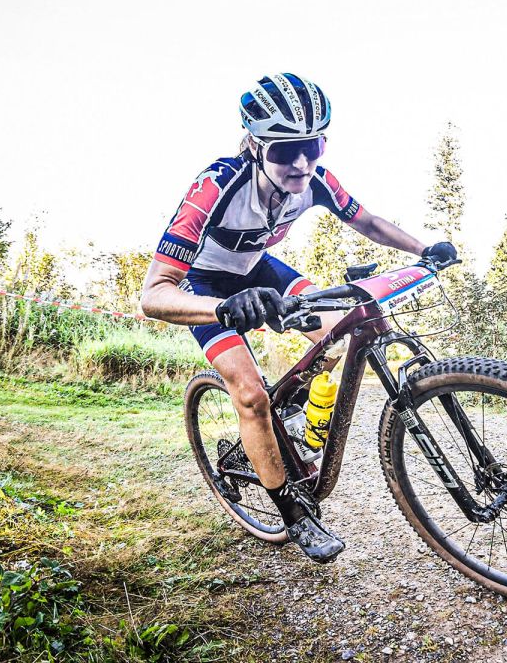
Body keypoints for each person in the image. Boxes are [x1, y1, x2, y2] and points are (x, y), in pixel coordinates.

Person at [140, 72, 456, 563]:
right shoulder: (216, 186)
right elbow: (153, 295)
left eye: (312, 145)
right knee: (249, 395)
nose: (302, 162)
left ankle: (290, 405)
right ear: (253, 145)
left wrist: (424, 248)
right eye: (285, 151)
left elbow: (368, 221)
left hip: (259, 269)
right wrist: (222, 308)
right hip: (201, 285)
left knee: (337, 332)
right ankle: (294, 513)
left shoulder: (315, 181)